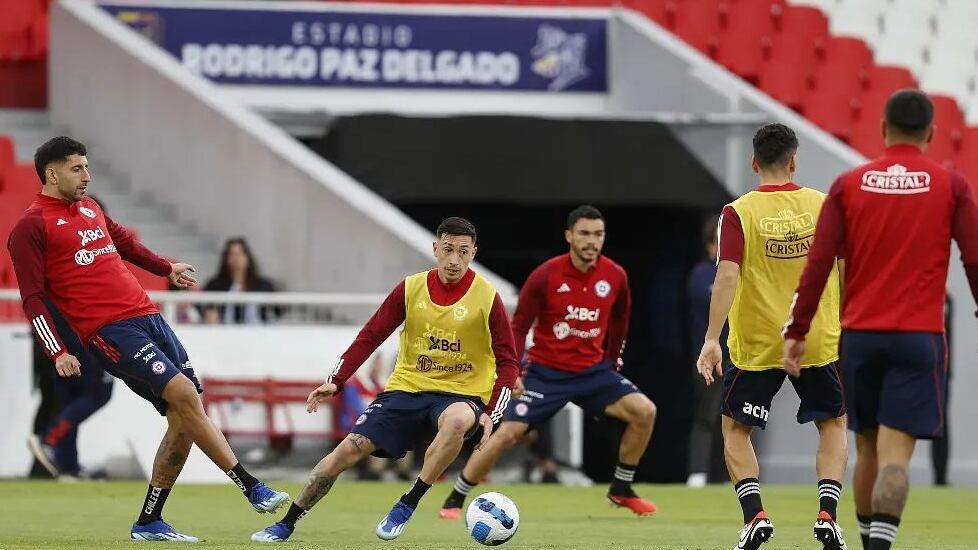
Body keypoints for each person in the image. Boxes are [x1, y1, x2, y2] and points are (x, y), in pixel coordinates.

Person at [7, 137, 289, 542]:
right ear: (51, 173)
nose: (87, 176)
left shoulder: (90, 208)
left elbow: (124, 243)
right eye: (77, 169)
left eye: (87, 167)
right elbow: (32, 298)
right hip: (110, 331)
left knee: (183, 415)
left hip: (149, 317)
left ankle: (150, 521)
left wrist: (165, 268)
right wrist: (57, 351)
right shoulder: (31, 226)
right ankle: (251, 486)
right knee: (186, 398)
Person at [784, 89, 978, 550]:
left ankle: (868, 541)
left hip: (860, 338)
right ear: (931, 133)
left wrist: (798, 329)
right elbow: (975, 259)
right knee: (897, 460)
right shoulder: (951, 185)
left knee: (867, 447)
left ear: (882, 129)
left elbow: (819, 262)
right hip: (919, 337)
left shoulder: (849, 184)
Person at [251, 216, 518, 543]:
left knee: (460, 420)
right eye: (447, 249)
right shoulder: (410, 288)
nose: (454, 260)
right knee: (344, 453)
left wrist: (493, 412)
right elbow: (371, 335)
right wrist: (337, 379)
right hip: (406, 390)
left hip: (460, 395)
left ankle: (408, 502)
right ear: (435, 248)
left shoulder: (488, 297)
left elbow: (508, 360)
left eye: (463, 252)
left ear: (473, 253)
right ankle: (286, 523)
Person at [439, 205, 658, 519]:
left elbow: (621, 318)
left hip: (592, 372)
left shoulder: (615, 276)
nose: (591, 241)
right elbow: (519, 326)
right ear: (569, 236)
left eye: (598, 234)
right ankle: (455, 498)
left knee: (645, 412)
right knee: (507, 434)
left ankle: (621, 488)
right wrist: (512, 369)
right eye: (584, 233)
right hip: (545, 373)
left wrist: (612, 360)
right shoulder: (545, 275)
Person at [697, 123, 848, 550]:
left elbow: (726, 275)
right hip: (817, 337)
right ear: (794, 160)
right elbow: (844, 266)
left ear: (754, 163)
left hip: (758, 343)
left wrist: (711, 338)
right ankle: (827, 516)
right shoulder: (823, 205)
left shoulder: (738, 212)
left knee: (736, 429)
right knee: (833, 424)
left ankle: (755, 516)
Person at [28, 299, 113, 480]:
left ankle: (68, 467)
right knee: (101, 392)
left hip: (56, 348)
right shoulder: (72, 277)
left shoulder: (40, 283)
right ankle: (50, 439)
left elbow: (34, 306)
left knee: (69, 403)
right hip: (79, 341)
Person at [686, 215, 727, 488]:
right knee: (706, 416)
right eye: (716, 242)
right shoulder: (702, 274)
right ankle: (698, 472)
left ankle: (728, 474)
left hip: (740, 356)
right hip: (707, 358)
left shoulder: (739, 272)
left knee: (737, 417)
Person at [203, 237, 278, 324]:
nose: (236, 258)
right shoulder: (215, 285)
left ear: (247, 257)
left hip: (257, 332)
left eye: (239, 254)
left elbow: (278, 309)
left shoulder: (263, 285)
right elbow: (206, 307)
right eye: (232, 254)